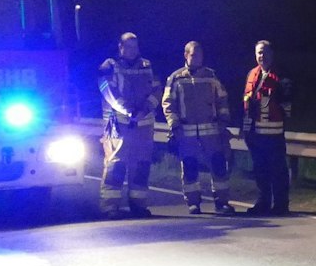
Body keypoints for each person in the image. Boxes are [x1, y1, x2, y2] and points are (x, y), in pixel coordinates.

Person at [162, 41, 236, 215]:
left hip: (211, 132)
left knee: (219, 166)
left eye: (200, 55)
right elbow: (168, 104)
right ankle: (193, 203)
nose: (198, 58)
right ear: (186, 55)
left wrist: (224, 121)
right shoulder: (176, 78)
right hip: (186, 133)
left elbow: (222, 99)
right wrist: (174, 125)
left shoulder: (211, 76)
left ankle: (222, 202)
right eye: (194, 55)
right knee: (190, 168)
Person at [96, 32, 159, 218]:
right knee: (116, 164)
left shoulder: (147, 66)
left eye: (135, 46)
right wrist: (129, 111)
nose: (133, 50)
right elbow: (109, 92)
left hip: (144, 125)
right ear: (120, 47)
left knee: (141, 165)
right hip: (119, 126)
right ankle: (110, 206)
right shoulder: (109, 66)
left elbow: (157, 90)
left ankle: (138, 204)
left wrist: (146, 108)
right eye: (128, 46)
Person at [241, 39, 294, 216]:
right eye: (259, 53)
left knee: (278, 171)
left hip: (274, 134)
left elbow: (289, 107)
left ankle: (281, 205)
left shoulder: (282, 77)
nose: (261, 56)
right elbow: (247, 105)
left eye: (264, 52)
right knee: (260, 171)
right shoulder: (252, 74)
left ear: (272, 54)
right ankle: (263, 203)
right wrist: (246, 130)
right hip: (256, 134)